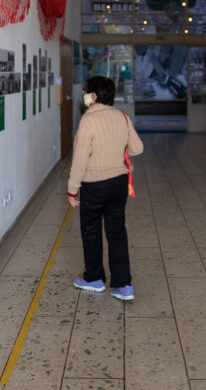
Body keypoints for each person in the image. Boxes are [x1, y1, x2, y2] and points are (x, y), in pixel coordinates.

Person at [67, 75, 144, 301]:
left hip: (93, 185)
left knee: (91, 231)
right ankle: (123, 285)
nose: (84, 95)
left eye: (86, 91)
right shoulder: (122, 117)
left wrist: (72, 189)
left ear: (94, 96)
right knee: (117, 232)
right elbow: (137, 148)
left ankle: (94, 279)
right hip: (118, 183)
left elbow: (80, 160)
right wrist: (116, 153)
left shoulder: (88, 120)